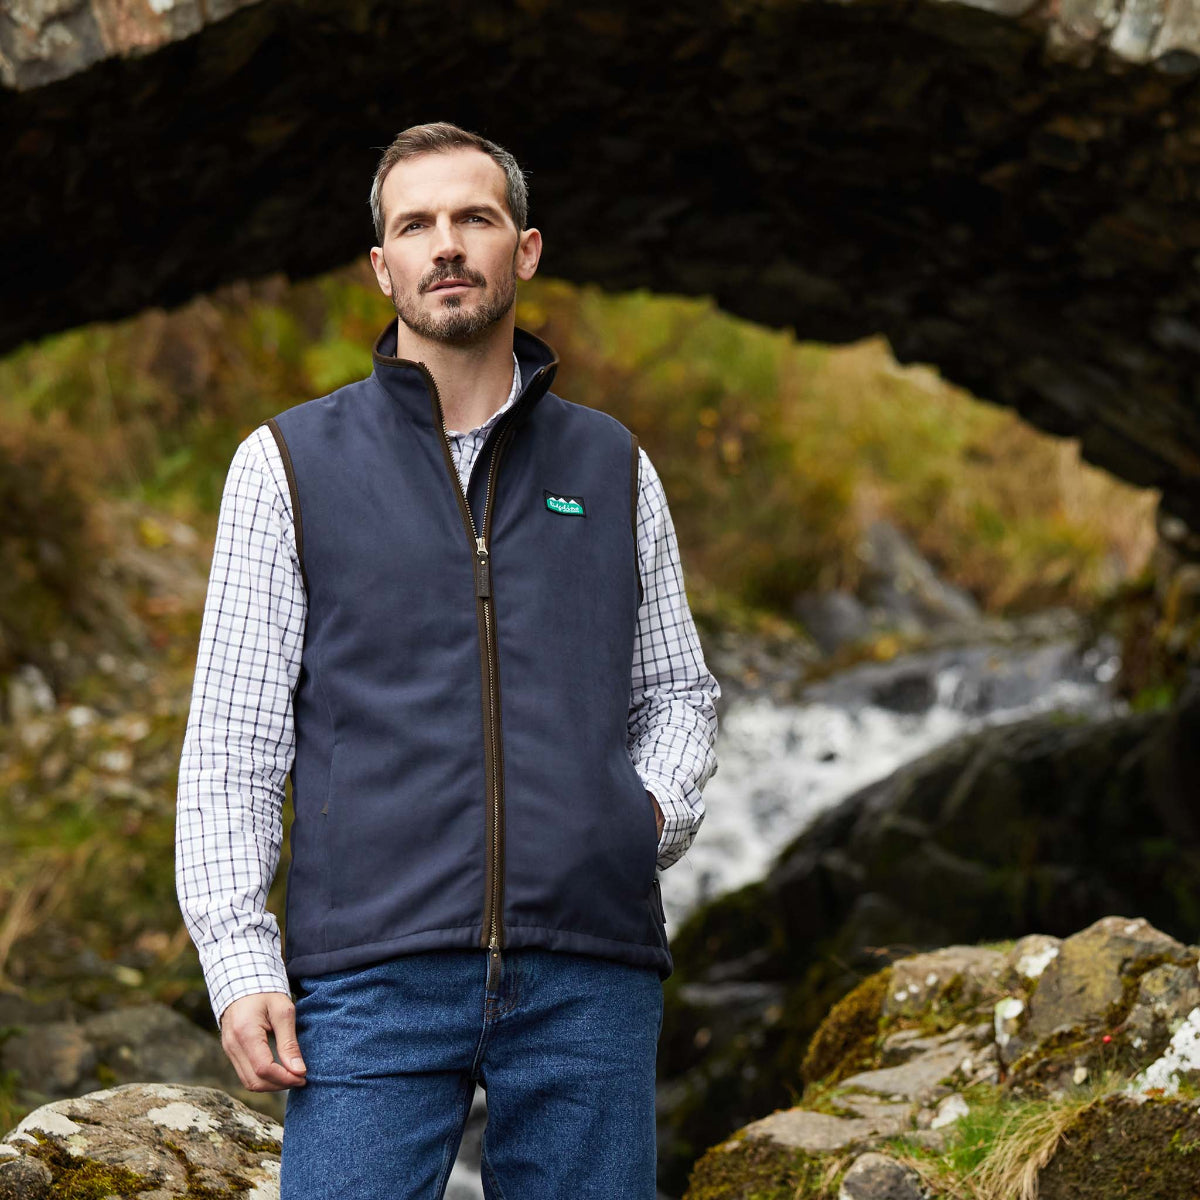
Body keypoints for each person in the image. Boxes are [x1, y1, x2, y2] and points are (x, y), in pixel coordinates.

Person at [175, 121, 721, 1200]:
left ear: (525, 250)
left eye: (475, 217)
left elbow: (678, 692)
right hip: (370, 974)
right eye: (416, 225)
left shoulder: (612, 465)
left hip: (588, 969)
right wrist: (239, 962)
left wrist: (642, 820)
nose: (447, 245)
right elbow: (235, 739)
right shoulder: (287, 463)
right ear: (384, 269)